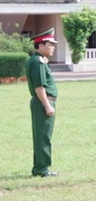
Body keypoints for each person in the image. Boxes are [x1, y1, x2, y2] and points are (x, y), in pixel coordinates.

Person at [26, 28, 59, 177]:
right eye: (50, 44)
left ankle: (39, 167)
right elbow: (39, 87)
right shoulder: (38, 62)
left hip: (41, 102)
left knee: (41, 136)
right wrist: (47, 105)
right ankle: (42, 169)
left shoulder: (38, 60)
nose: (53, 47)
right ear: (40, 46)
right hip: (43, 102)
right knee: (43, 137)